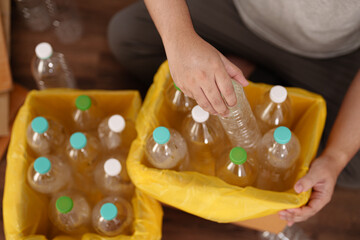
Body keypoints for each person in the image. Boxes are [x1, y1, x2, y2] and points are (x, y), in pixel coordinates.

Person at [107, 0, 360, 226]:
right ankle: (242, 79)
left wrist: (335, 157)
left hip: (331, 51)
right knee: (127, 34)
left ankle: (240, 74)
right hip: (240, 15)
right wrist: (179, 37)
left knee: (352, 164)